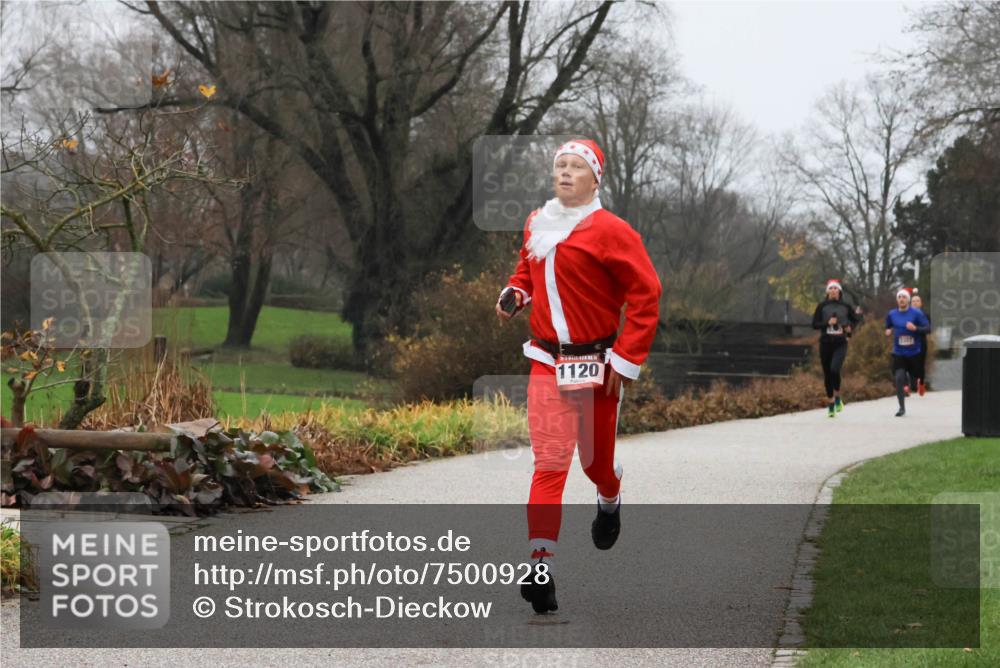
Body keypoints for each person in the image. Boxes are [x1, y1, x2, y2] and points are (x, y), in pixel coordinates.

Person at [495, 139, 662, 614]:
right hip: (547, 362)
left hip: (597, 367)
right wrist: (515, 292)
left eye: (576, 167)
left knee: (594, 465)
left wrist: (624, 361)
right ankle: (540, 564)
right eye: (559, 166)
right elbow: (527, 271)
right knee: (549, 465)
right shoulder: (537, 223)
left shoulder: (613, 231)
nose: (565, 173)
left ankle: (610, 495)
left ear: (595, 179)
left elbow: (647, 296)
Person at [811, 279, 859, 418]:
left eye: (835, 288)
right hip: (825, 343)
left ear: (839, 291)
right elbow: (814, 324)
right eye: (830, 289)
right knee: (827, 373)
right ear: (827, 292)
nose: (832, 291)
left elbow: (856, 319)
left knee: (834, 369)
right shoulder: (822, 306)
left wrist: (850, 327)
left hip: (840, 343)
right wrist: (827, 323)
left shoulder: (845, 306)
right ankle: (831, 404)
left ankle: (837, 395)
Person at [884, 287, 930, 417]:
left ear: (908, 300)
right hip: (899, 352)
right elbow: (888, 325)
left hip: (914, 353)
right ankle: (901, 408)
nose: (901, 299)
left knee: (915, 378)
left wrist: (915, 328)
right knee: (898, 378)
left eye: (904, 297)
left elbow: (927, 328)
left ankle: (914, 382)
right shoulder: (892, 314)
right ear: (897, 300)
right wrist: (888, 330)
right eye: (899, 297)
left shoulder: (916, 313)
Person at [910, 291, 931, 396]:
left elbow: (928, 329)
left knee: (920, 364)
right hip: (909, 342)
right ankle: (911, 385)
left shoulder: (925, 315)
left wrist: (916, 329)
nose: (915, 302)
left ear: (921, 303)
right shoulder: (906, 315)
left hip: (921, 341)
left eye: (917, 301)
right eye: (913, 301)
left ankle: (921, 383)